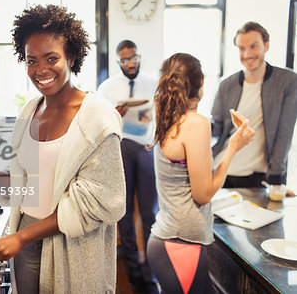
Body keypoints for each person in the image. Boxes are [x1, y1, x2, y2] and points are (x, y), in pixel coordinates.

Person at [0, 5, 126, 294]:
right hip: (26, 239)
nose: (40, 70)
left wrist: (23, 237)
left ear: (72, 57)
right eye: (31, 60)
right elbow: (35, 178)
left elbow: (102, 201)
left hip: (72, 247)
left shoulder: (97, 119)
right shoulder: (30, 110)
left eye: (52, 58)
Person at [146, 53, 255, 293]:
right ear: (202, 83)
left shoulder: (167, 117)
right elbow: (203, 194)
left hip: (170, 241)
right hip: (180, 244)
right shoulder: (195, 123)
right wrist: (233, 147)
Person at [97, 40, 158, 293]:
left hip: (146, 150)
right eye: (124, 60)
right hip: (120, 149)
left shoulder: (154, 84)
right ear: (118, 62)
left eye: (133, 58)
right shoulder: (107, 88)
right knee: (123, 214)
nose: (130, 63)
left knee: (149, 213)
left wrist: (155, 138)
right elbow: (97, 121)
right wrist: (114, 114)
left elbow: (162, 115)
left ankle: (150, 272)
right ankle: (133, 271)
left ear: (139, 57)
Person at [212, 21, 297, 189]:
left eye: (253, 46)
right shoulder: (226, 84)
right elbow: (216, 128)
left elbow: (284, 133)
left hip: (258, 176)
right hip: (222, 169)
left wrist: (276, 181)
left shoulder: (288, 81)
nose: (247, 54)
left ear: (266, 46)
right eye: (241, 48)